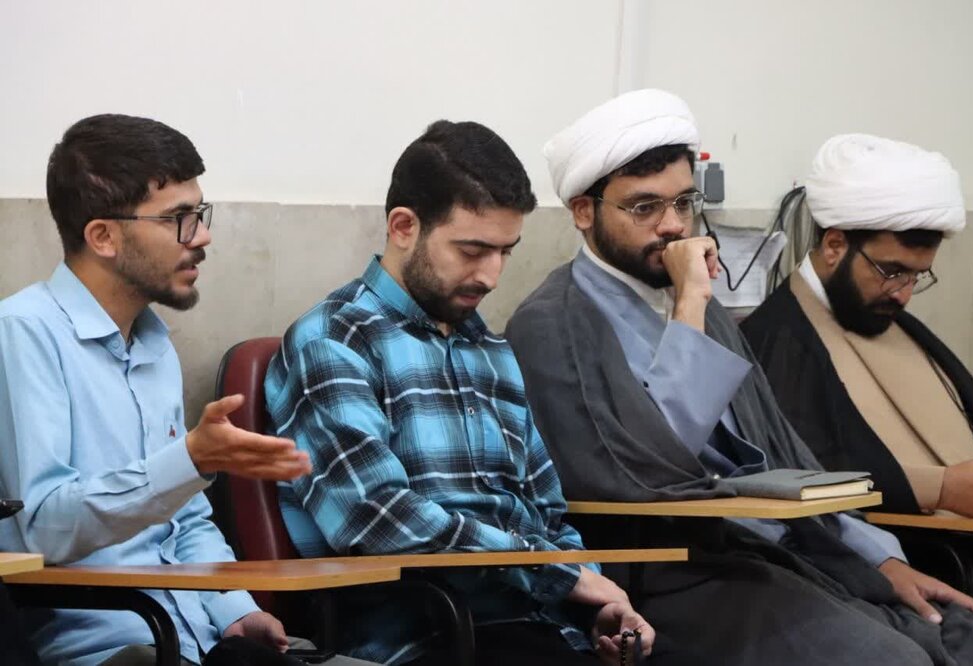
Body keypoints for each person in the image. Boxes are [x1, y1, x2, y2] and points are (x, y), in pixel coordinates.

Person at [506, 89, 973, 665]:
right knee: (890, 660)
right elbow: (655, 468)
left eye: (683, 202)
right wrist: (692, 301)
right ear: (583, 212)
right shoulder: (553, 325)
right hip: (668, 573)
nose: (673, 226)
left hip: (782, 550)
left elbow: (785, 452)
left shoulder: (703, 307)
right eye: (644, 208)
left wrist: (880, 558)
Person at [265, 120, 655, 666]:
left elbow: (546, 512)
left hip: (535, 625)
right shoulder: (335, 340)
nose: (492, 275)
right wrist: (558, 575)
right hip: (426, 632)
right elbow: (375, 517)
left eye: (505, 252)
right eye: (473, 250)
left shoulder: (488, 349)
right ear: (404, 226)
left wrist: (596, 604)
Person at [0, 114, 370, 666]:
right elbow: (43, 528)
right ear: (103, 236)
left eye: (199, 213)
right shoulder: (23, 334)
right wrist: (190, 460)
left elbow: (187, 518)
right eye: (178, 218)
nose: (201, 236)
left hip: (202, 636)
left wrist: (234, 608)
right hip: (114, 646)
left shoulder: (154, 344)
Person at [741, 133, 973, 518]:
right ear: (834, 246)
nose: (903, 295)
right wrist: (938, 488)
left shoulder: (890, 319)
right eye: (891, 272)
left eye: (917, 276)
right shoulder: (770, 341)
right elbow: (793, 473)